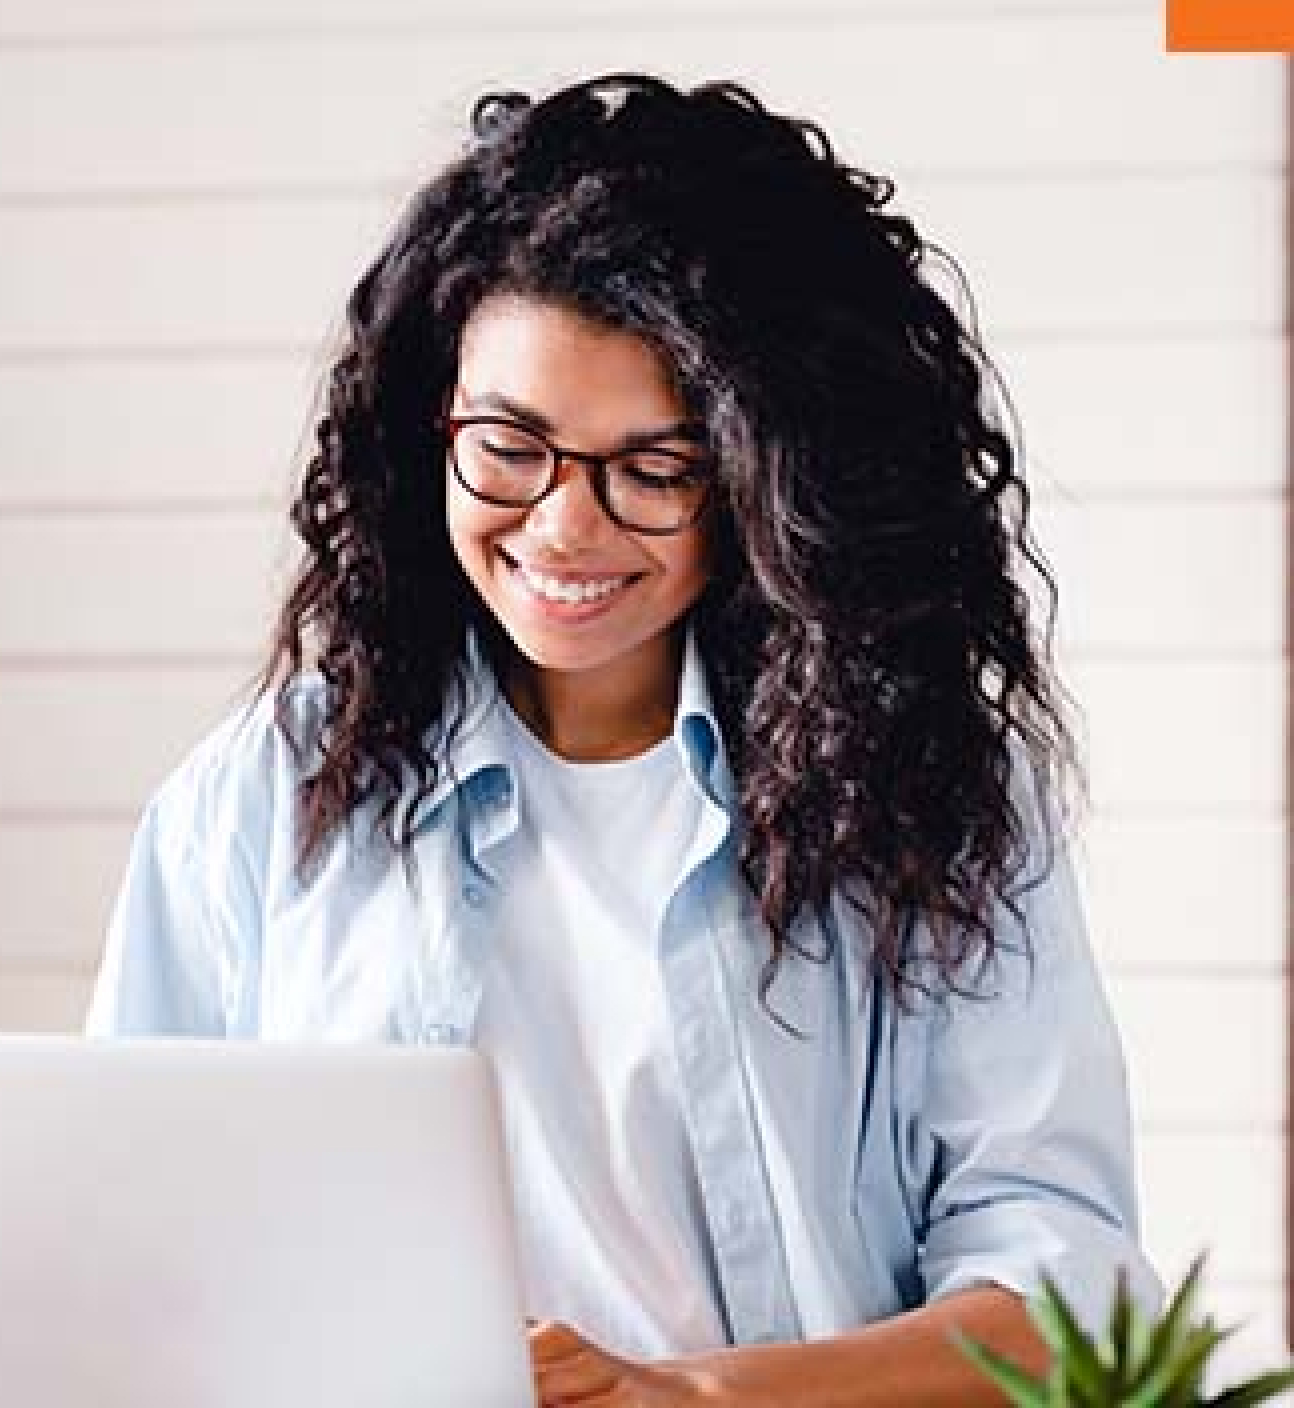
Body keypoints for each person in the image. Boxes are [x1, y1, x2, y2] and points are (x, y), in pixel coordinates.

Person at [85, 73, 1156, 1407]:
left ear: (775, 481)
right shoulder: (266, 793)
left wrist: (697, 1398)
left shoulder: (927, 791)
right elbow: (125, 1251)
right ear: (431, 430)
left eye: (654, 470)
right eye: (509, 448)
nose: (564, 530)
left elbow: (1067, 1296)